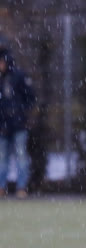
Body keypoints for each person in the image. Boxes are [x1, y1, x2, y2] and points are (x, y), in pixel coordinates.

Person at [0, 48, 37, 198]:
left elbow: (31, 98)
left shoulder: (19, 77)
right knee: (2, 158)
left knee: (21, 157)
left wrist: (20, 113)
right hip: (2, 126)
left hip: (19, 125)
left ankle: (21, 187)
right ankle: (1, 187)